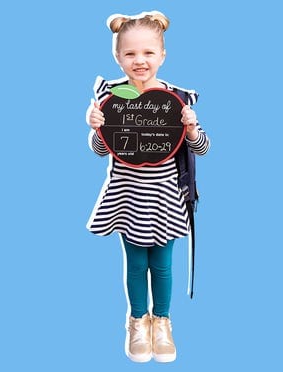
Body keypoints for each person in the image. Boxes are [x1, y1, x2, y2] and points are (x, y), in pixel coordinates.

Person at [85, 11, 210, 363]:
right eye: (130, 54)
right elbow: (100, 151)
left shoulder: (177, 98)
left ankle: (163, 322)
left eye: (148, 53)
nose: (139, 61)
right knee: (136, 263)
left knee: (164, 264)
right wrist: (97, 127)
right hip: (127, 197)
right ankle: (138, 321)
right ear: (117, 57)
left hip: (166, 197)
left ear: (162, 55)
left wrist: (191, 128)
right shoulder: (109, 97)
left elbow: (202, 148)